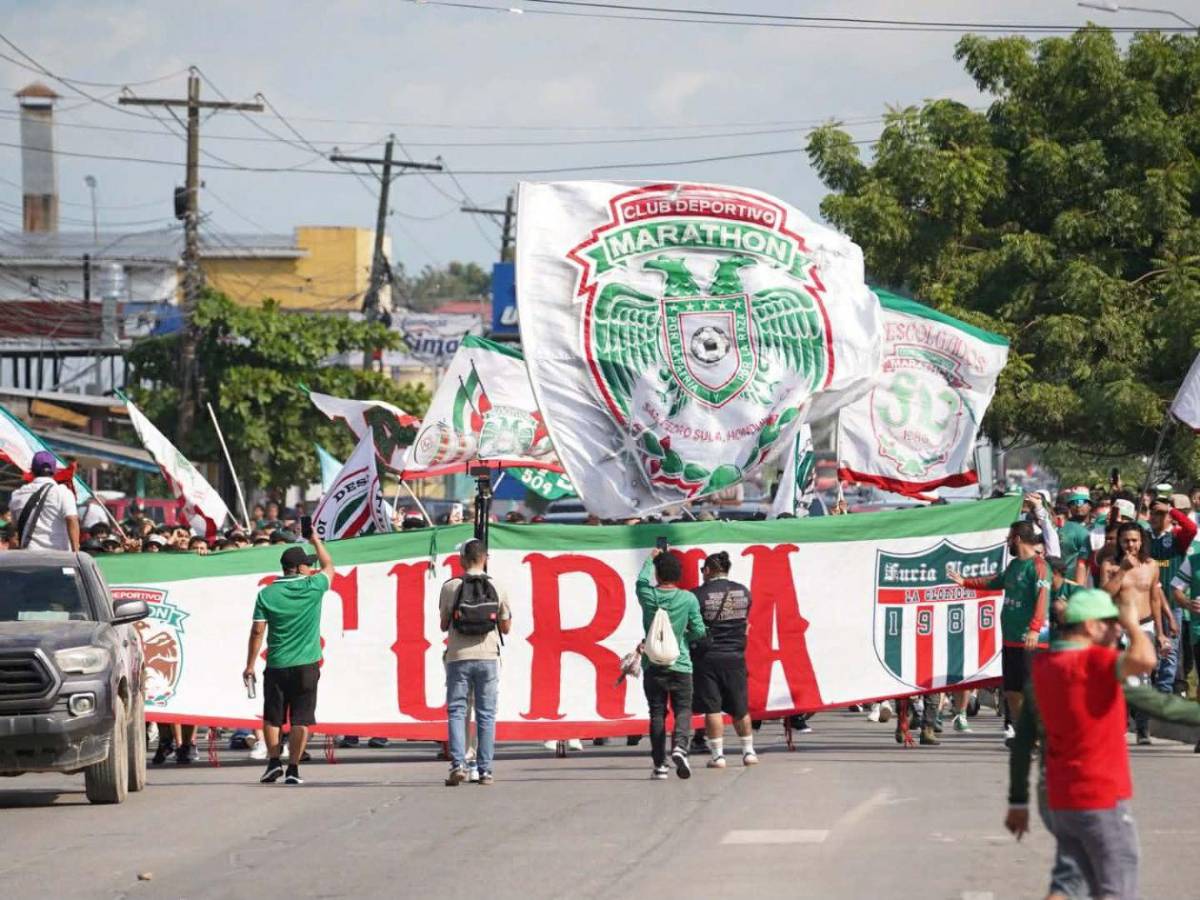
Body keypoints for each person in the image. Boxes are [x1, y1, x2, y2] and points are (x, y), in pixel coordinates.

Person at [1007, 587, 1200, 899]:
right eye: (1111, 622)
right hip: (1100, 798)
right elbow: (1147, 660)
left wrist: (1017, 801)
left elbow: (1022, 742)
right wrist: (1135, 624)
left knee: (1069, 882)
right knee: (1117, 884)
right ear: (1090, 625)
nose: (1118, 628)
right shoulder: (1097, 662)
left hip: (1061, 799)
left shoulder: (1042, 669)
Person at [243, 534, 335, 786]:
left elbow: (257, 631)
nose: (312, 567)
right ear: (300, 568)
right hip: (307, 665)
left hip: (276, 664)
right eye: (308, 564)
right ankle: (293, 768)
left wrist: (250, 664)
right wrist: (315, 540)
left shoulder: (267, 594)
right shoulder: (313, 586)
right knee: (301, 719)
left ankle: (273, 762)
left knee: (273, 717)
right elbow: (330, 566)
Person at [947, 519, 1048, 745]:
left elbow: (1042, 599)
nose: (1007, 542)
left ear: (1018, 539)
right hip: (1010, 640)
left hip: (1030, 642)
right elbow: (994, 581)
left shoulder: (1039, 566)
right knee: (1012, 692)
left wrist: (1034, 629)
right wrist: (965, 582)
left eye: (1009, 538)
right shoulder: (1014, 566)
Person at [440, 538, 511, 786]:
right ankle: (485, 770)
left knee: (457, 711)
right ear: (485, 558)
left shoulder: (451, 587)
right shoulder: (498, 586)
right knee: (486, 714)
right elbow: (506, 626)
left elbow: (443, 624)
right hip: (488, 655)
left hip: (458, 656)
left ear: (461, 559)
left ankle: (458, 764)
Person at [636, 547, 706, 780]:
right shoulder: (688, 598)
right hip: (681, 663)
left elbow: (641, 580)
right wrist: (684, 636)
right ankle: (680, 747)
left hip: (652, 663)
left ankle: (660, 766)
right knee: (683, 709)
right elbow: (699, 630)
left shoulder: (648, 596)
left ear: (658, 574)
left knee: (657, 713)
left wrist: (650, 559)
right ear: (678, 575)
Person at [1101, 522, 1172, 745]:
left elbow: (1154, 599)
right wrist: (1122, 570)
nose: (1130, 545)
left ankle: (1142, 728)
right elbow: (1105, 595)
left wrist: (1161, 633)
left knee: (1144, 678)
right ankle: (1121, 723)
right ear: (1119, 542)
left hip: (1146, 626)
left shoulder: (1151, 565)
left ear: (1141, 541)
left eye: (1134, 540)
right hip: (1121, 626)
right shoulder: (1110, 565)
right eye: (1125, 540)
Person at [691, 551, 756, 769]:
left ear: (708, 570)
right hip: (736, 655)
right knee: (740, 707)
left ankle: (718, 756)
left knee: (712, 708)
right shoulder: (744, 591)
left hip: (707, 658)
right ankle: (748, 752)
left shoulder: (697, 595)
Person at [1146, 494, 1195, 698]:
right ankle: (1149, 682)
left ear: (1169, 517)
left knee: (1170, 648)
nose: (1156, 517)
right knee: (1148, 644)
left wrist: (1170, 509)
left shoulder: (1176, 537)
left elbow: (1192, 528)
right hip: (1147, 601)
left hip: (1171, 602)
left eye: (1160, 513)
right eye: (1153, 513)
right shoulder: (1145, 538)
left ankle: (1165, 689)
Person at [8, 451, 80, 552]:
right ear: (54, 471)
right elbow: (72, 520)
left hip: (28, 558)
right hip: (57, 559)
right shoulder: (63, 492)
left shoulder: (17, 495)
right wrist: (76, 553)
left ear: (32, 470)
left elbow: (14, 528)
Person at [1057, 491, 1093, 586]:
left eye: (1082, 502)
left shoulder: (1097, 529)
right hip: (1063, 580)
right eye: (1074, 503)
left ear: (1090, 506)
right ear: (1069, 507)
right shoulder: (1062, 528)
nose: (1078, 506)